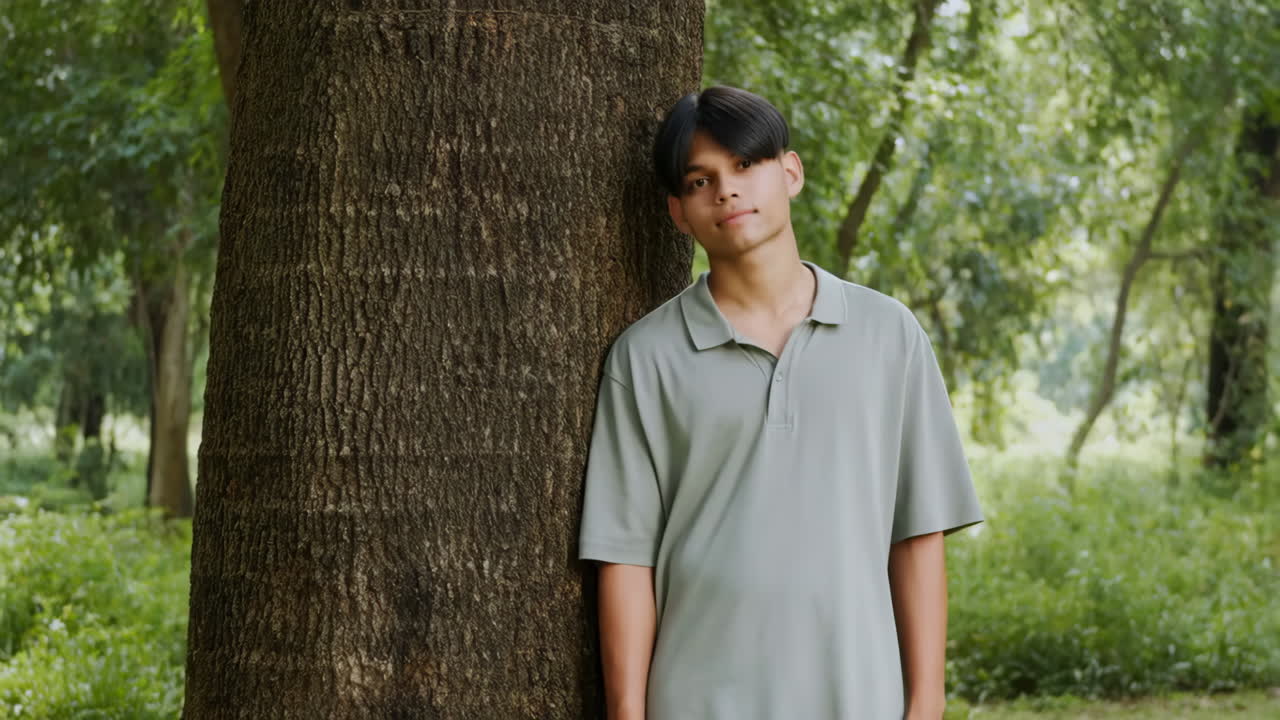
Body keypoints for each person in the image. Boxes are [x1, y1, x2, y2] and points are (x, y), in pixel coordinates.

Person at [576, 85, 985, 720]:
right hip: (697, 700)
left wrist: (925, 704)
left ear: (789, 172)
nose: (726, 190)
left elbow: (918, 535)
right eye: (699, 179)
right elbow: (626, 557)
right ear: (678, 213)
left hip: (858, 698)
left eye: (745, 165)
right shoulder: (645, 356)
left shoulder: (888, 334)